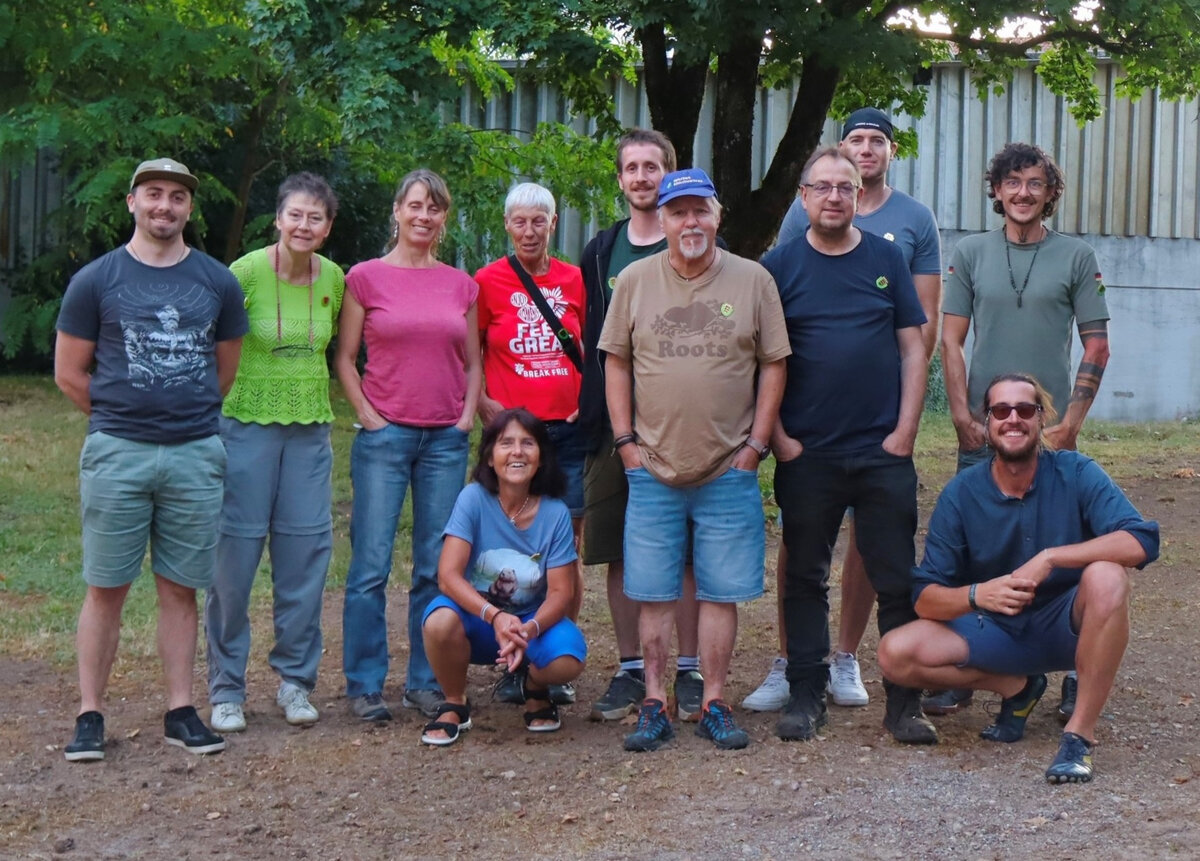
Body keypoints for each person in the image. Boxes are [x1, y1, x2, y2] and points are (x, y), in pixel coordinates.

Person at [746, 107, 943, 713]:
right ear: (803, 198)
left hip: (882, 448)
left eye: (845, 188)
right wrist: (778, 437)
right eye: (822, 187)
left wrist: (906, 430)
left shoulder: (887, 259)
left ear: (861, 194)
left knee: (895, 579)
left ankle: (903, 703)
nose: (834, 197)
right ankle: (805, 694)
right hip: (808, 450)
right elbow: (759, 358)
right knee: (804, 577)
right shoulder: (778, 266)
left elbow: (914, 343)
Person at [54, 157, 248, 760]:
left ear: (190, 209)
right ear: (133, 203)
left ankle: (181, 709)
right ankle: (90, 714)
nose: (165, 206)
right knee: (105, 585)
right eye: (154, 194)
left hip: (194, 453)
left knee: (180, 589)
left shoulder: (216, 281)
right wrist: (125, 418)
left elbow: (223, 373)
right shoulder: (96, 279)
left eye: (177, 198)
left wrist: (177, 417)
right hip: (118, 452)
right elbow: (68, 373)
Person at [877, 373, 1158, 783]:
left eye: (1025, 410)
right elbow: (925, 598)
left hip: (1069, 626)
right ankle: (1017, 687)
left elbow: (1142, 540)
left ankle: (1078, 737)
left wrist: (1052, 558)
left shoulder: (1076, 472)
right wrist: (978, 595)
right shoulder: (961, 493)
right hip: (994, 631)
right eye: (1001, 411)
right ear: (987, 423)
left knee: (1109, 577)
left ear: (1041, 419)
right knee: (894, 654)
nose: (1013, 419)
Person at [599, 168, 790, 751]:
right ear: (661, 220)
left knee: (719, 592)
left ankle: (713, 701)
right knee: (653, 591)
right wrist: (627, 445)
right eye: (677, 212)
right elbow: (616, 362)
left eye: (699, 210)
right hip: (652, 466)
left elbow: (774, 363)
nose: (689, 222)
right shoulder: (633, 280)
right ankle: (654, 701)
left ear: (717, 216)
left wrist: (755, 447)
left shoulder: (754, 280)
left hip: (727, 468)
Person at [932, 141, 1111, 718]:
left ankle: (1074, 668)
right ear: (996, 191)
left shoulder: (1078, 256)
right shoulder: (971, 252)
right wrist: (963, 416)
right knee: (969, 552)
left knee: (1068, 552)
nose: (1023, 193)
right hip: (985, 429)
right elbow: (951, 340)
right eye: (1012, 182)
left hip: (1049, 434)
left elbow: (1097, 342)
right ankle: (969, 667)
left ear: (1051, 193)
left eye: (1035, 183)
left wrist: (1069, 426)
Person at [335, 169, 482, 722]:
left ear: (444, 219)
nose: (424, 216)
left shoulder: (459, 285)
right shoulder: (365, 278)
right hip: (386, 436)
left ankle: (426, 680)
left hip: (445, 439)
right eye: (415, 205)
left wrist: (467, 416)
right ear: (397, 210)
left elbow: (473, 361)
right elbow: (345, 358)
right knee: (370, 565)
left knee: (435, 567)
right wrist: (368, 415)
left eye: (435, 208)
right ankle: (365, 684)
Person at [204, 173, 345, 732]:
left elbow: (336, 348)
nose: (304, 225)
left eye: (315, 217)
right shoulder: (242, 273)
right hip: (244, 426)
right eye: (295, 215)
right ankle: (226, 688)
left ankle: (295, 682)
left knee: (305, 557)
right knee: (234, 561)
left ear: (328, 227)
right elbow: (212, 346)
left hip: (309, 430)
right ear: (277, 219)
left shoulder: (334, 277)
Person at [577, 129, 705, 723]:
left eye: (653, 166)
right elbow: (596, 342)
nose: (642, 177)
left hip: (684, 424)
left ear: (669, 172)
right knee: (617, 547)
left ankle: (688, 669)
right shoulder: (602, 250)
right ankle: (631, 667)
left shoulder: (697, 241)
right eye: (632, 168)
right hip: (613, 425)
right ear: (621, 179)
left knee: (681, 551)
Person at [474, 183, 586, 705]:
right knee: (508, 547)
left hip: (565, 431)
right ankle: (510, 655)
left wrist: (589, 401)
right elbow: (469, 353)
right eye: (519, 221)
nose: (528, 231)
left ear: (553, 224)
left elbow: (588, 344)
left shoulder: (575, 279)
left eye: (538, 221)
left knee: (566, 550)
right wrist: (482, 404)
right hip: (512, 438)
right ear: (506, 225)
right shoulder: (487, 281)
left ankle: (550, 656)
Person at [420, 409, 587, 745]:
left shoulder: (555, 512)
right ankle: (455, 701)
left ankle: (535, 688)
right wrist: (495, 617)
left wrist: (528, 629)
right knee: (438, 621)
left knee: (569, 659)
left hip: (529, 624)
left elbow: (560, 593)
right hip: (478, 619)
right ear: (490, 457)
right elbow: (448, 576)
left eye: (528, 443)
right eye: (505, 443)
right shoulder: (473, 499)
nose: (517, 452)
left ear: (541, 458)